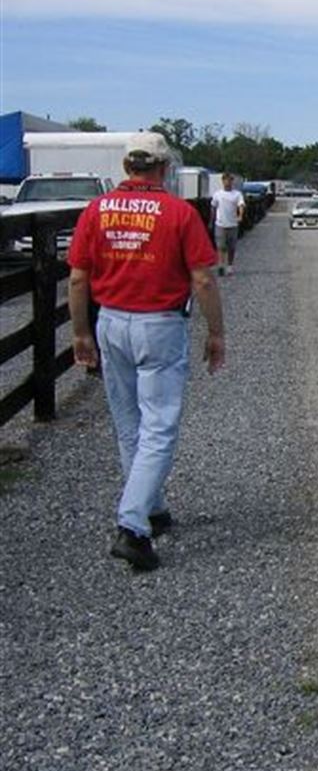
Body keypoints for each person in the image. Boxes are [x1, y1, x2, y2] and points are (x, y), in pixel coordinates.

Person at [67, 131, 225, 571]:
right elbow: (204, 279)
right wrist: (216, 333)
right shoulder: (178, 212)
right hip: (159, 323)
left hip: (111, 320)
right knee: (159, 425)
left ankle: (151, 507)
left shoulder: (96, 210)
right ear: (165, 168)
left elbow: (79, 278)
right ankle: (132, 527)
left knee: (129, 422)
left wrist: (81, 333)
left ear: (125, 167)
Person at [210, 172, 245, 276]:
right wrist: (212, 220)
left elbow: (241, 205)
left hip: (233, 224)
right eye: (225, 180)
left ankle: (229, 265)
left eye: (229, 180)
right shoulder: (217, 194)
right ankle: (221, 265)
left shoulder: (237, 194)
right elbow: (213, 207)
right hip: (220, 224)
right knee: (220, 246)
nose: (227, 182)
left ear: (232, 181)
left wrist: (240, 215)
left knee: (231, 247)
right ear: (222, 181)